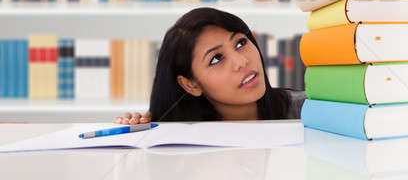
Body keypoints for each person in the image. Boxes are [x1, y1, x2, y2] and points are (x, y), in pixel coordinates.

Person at [113, 7, 306, 124]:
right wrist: (138, 132)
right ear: (191, 84)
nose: (242, 62)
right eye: (216, 58)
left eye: (240, 43)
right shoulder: (178, 139)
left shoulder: (307, 110)